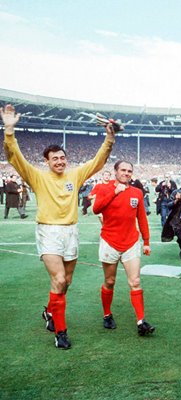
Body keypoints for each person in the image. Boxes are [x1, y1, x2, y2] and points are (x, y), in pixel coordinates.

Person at [1, 103, 116, 349]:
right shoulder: (37, 176)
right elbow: (15, 158)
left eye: (63, 158)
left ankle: (50, 311)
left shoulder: (74, 175)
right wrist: (9, 131)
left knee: (66, 282)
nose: (60, 162)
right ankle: (60, 332)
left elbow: (97, 162)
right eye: (55, 159)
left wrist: (109, 138)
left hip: (71, 232)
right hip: (49, 231)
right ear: (47, 161)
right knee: (59, 278)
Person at [92, 160, 154, 335]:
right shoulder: (105, 188)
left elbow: (142, 218)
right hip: (109, 241)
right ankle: (107, 314)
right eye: (123, 170)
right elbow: (96, 209)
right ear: (115, 171)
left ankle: (141, 321)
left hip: (131, 242)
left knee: (135, 281)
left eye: (129, 171)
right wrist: (114, 192)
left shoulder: (137, 193)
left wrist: (147, 241)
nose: (126, 173)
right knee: (110, 281)